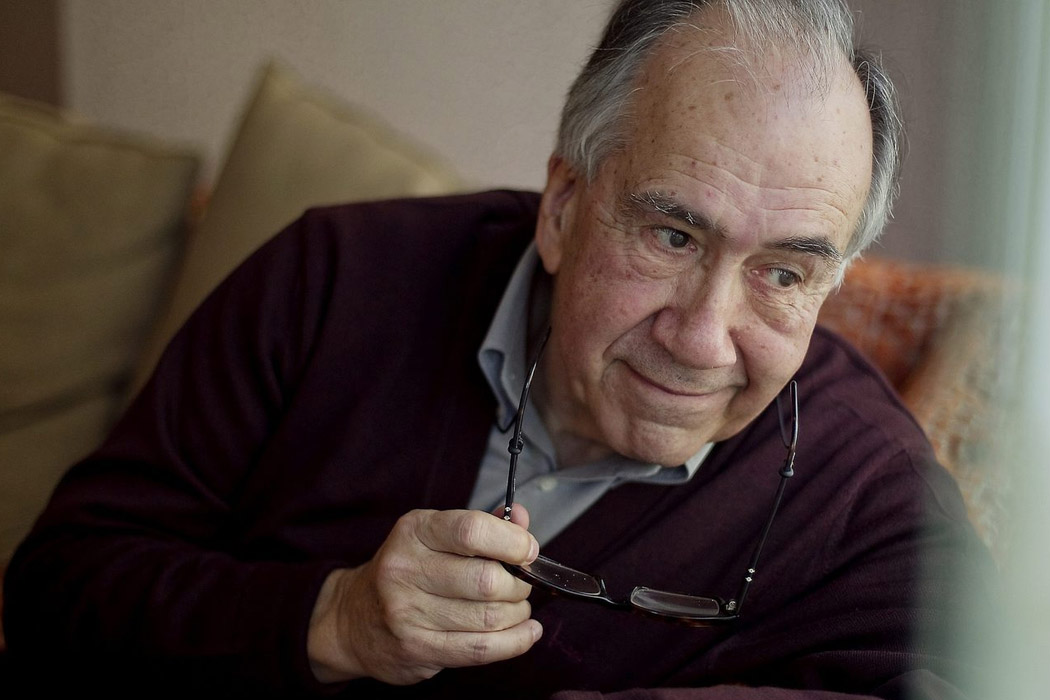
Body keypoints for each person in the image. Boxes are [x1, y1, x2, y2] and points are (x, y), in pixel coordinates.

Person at [3, 0, 991, 698]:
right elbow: (56, 594)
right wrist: (332, 620)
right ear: (563, 206)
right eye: (672, 235)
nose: (701, 340)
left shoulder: (868, 492)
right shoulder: (334, 278)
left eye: (783, 272)